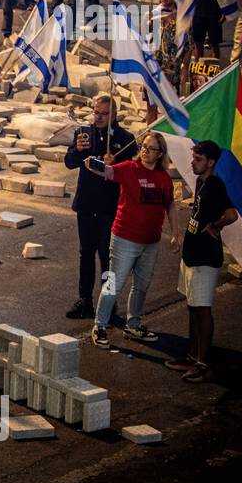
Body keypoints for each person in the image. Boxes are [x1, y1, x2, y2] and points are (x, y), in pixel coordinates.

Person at [88, 131, 180, 349]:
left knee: (142, 285)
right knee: (114, 283)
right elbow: (106, 171)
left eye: (151, 149)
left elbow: (170, 205)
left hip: (151, 241)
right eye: (144, 146)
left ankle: (134, 324)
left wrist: (176, 233)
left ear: (161, 154)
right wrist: (94, 162)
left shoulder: (164, 178)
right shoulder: (129, 168)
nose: (146, 151)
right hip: (124, 238)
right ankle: (100, 325)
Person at [168, 141, 239, 384]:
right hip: (191, 253)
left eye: (198, 159)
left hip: (206, 258)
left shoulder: (216, 185)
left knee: (202, 308)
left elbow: (232, 215)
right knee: (192, 305)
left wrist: (215, 226)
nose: (193, 162)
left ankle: (203, 363)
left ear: (210, 162)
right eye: (193, 157)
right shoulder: (201, 181)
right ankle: (192, 354)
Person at [64, 95, 137, 319]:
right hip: (86, 204)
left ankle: (109, 301)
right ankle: (84, 299)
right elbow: (69, 162)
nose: (99, 117)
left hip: (110, 207)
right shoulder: (83, 133)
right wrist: (77, 150)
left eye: (104, 113)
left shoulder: (126, 139)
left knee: (108, 257)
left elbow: (132, 171)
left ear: (114, 115)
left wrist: (115, 163)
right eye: (96, 112)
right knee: (86, 254)